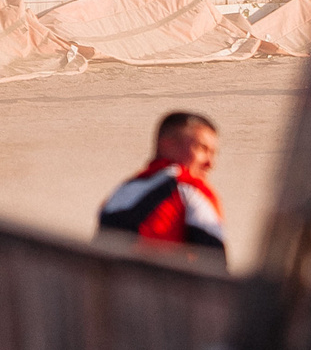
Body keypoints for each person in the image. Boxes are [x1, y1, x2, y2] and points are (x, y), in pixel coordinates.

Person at [96, 111, 226, 264]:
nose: (210, 163)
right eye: (202, 149)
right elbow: (215, 264)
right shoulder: (190, 188)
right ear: (168, 144)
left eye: (213, 153)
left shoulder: (121, 192)